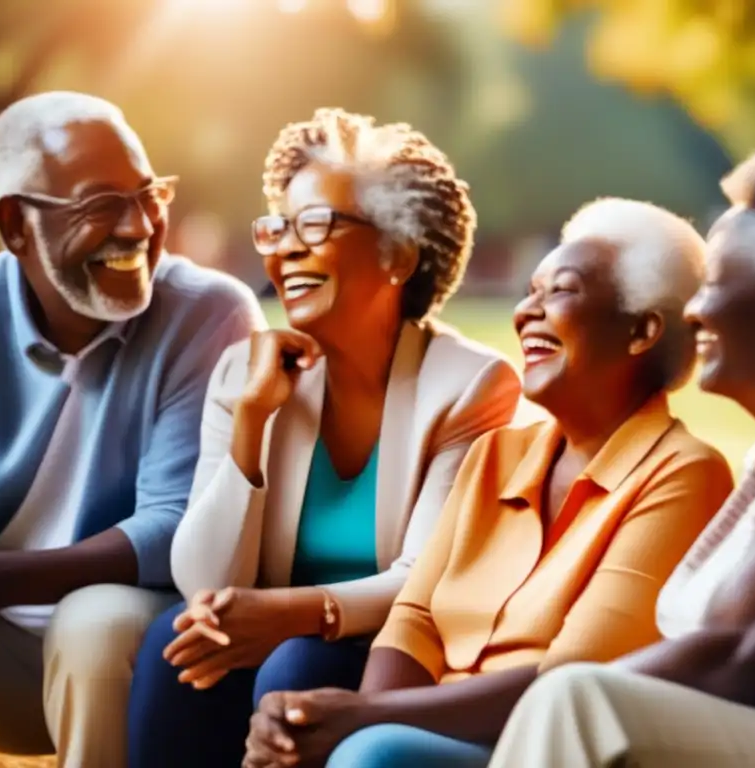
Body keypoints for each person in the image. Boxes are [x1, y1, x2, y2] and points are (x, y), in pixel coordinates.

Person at [243, 197, 735, 768]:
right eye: (530, 291)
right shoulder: (496, 455)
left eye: (562, 292)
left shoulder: (685, 473)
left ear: (641, 330)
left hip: (547, 746)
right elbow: (415, 621)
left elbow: (572, 681)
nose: (527, 312)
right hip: (426, 732)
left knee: (373, 753)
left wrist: (365, 720)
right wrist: (344, 725)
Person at [0, 91, 263, 768]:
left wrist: (0, 577)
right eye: (102, 205)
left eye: (148, 194)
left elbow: (177, 531)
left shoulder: (208, 311)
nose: (139, 227)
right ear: (16, 225)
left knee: (91, 621)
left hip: (145, 653)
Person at [126, 108, 522, 767]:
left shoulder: (472, 386)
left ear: (398, 255)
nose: (285, 248)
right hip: (271, 640)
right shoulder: (243, 374)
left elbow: (422, 579)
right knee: (176, 639)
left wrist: (286, 616)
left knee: (299, 662)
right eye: (277, 228)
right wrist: (251, 419)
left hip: (399, 657)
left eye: (316, 225)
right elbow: (202, 581)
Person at [487, 144, 755, 768]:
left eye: (718, 283)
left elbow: (744, 655)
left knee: (579, 702)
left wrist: (554, 694)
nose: (693, 310)